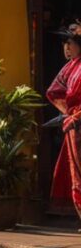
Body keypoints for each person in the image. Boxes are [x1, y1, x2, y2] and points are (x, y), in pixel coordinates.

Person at [48, 34, 81, 221]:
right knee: (76, 174)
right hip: (75, 126)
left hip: (77, 121)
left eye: (71, 43)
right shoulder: (71, 67)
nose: (66, 47)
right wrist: (70, 113)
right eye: (65, 44)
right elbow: (54, 91)